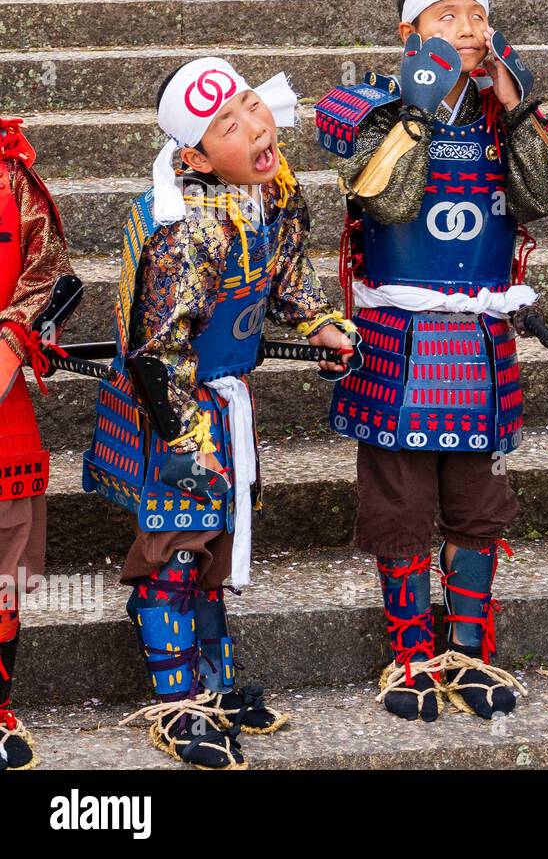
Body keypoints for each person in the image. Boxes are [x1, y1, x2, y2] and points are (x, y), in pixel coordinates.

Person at [316, 0, 548, 724]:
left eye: (476, 15)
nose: (466, 29)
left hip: (481, 336)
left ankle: (468, 647)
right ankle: (409, 653)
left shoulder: (504, 110)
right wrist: (421, 110)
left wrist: (521, 111)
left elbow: (546, 197)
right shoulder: (365, 105)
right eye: (446, 17)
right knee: (398, 505)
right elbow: (387, 199)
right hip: (398, 338)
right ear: (409, 34)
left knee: (479, 503)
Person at [84, 58, 355, 767]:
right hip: (172, 405)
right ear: (197, 156)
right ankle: (177, 705)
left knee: (215, 544)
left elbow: (288, 273)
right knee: (176, 551)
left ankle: (215, 683)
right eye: (227, 126)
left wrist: (319, 323)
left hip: (226, 396)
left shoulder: (275, 190)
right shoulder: (190, 227)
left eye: (248, 107)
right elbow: (156, 348)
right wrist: (186, 437)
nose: (255, 127)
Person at [0, 117, 78, 770]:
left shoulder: (11, 178)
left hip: (0, 399)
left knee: (6, 557)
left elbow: (48, 265)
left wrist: (11, 339)